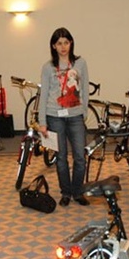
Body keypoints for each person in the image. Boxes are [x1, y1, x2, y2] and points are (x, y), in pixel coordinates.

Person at [37, 27, 90, 206]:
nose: (63, 47)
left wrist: (84, 112)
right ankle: (66, 192)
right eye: (59, 43)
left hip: (75, 115)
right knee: (61, 158)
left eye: (66, 42)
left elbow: (84, 89)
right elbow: (43, 95)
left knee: (80, 156)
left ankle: (77, 191)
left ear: (71, 43)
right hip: (54, 116)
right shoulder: (48, 67)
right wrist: (42, 122)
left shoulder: (80, 63)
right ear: (53, 46)